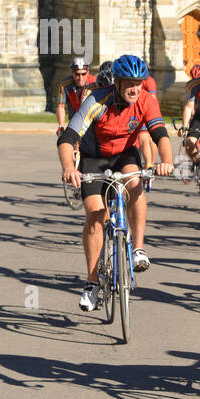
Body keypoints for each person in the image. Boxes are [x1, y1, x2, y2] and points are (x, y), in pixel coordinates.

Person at [57, 55, 174, 310]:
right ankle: (91, 282)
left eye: (139, 83)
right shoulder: (97, 100)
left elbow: (160, 134)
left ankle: (138, 249)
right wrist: (68, 167)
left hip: (124, 155)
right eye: (129, 83)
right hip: (94, 158)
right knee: (95, 214)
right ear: (117, 83)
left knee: (135, 184)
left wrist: (166, 160)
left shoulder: (145, 100)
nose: (135, 88)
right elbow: (67, 138)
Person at [56, 58, 96, 131]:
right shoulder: (65, 85)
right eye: (77, 74)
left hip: (92, 123)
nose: (80, 78)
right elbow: (61, 106)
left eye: (83, 74)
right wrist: (61, 125)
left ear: (88, 72)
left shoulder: (95, 83)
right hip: (74, 123)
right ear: (72, 73)